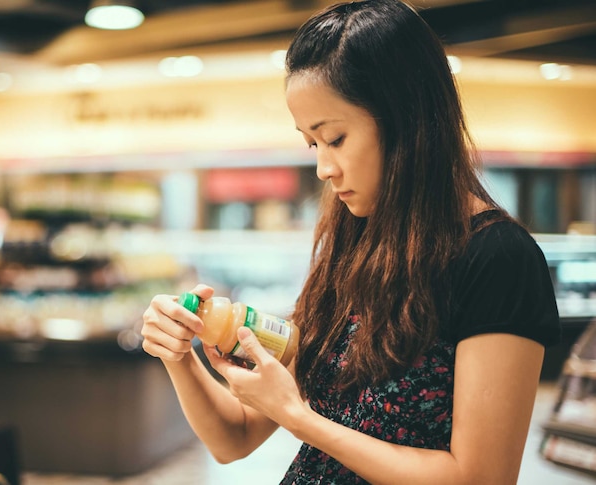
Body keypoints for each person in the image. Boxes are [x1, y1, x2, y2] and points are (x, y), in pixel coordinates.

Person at [140, 0, 561, 483]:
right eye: (311, 144)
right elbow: (233, 437)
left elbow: (480, 478)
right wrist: (179, 356)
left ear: (407, 118)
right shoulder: (353, 246)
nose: (324, 168)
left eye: (335, 138)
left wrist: (300, 418)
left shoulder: (497, 258)